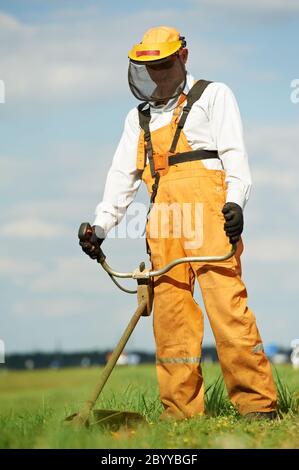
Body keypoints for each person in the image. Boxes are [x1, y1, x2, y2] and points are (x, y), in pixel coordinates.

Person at [80, 26, 277, 420]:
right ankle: (181, 412)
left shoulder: (213, 96)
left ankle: (257, 406)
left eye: (164, 65)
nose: (156, 74)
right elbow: (122, 178)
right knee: (171, 320)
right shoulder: (138, 119)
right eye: (148, 67)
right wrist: (100, 226)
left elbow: (235, 157)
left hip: (210, 219)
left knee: (228, 309)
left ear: (183, 58)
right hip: (163, 225)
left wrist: (236, 204)